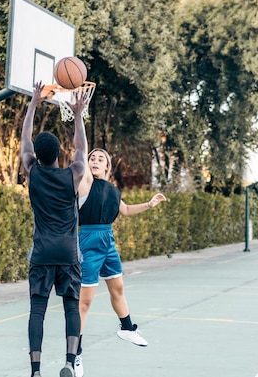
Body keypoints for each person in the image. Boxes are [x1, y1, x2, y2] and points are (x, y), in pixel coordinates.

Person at [74, 147, 166, 377]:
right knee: (84, 302)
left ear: (107, 166)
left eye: (100, 159)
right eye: (91, 158)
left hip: (108, 241)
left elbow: (124, 210)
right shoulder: (84, 184)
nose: (95, 161)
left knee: (119, 289)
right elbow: (81, 149)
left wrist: (148, 204)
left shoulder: (113, 191)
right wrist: (78, 117)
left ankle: (127, 328)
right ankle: (75, 353)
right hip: (88, 241)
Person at [20, 81, 88, 377]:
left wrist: (34, 102)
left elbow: (24, 141)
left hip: (42, 253)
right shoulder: (72, 175)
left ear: (38, 154)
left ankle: (36, 371)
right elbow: (82, 150)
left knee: (37, 311)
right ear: (59, 154)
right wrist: (79, 114)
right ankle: (70, 363)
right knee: (71, 308)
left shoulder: (32, 172)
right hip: (68, 252)